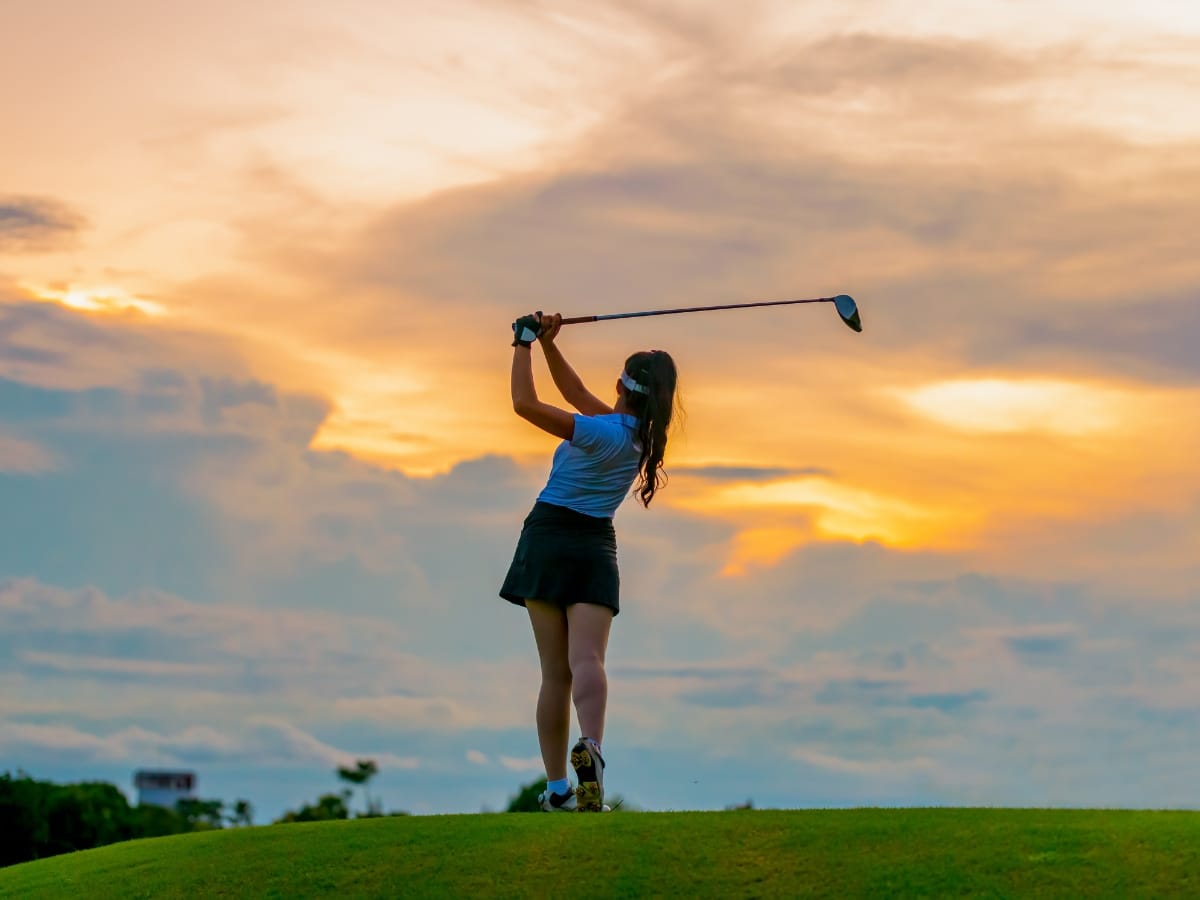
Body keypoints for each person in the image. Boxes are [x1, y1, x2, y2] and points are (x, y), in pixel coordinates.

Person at [500, 310, 679, 812]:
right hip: (595, 547)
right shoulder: (638, 439)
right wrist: (550, 344)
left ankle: (558, 789)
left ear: (620, 385)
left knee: (555, 674)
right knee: (589, 661)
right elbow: (576, 394)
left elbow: (524, 404)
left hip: (548, 538)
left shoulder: (599, 433)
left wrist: (522, 342)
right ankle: (593, 748)